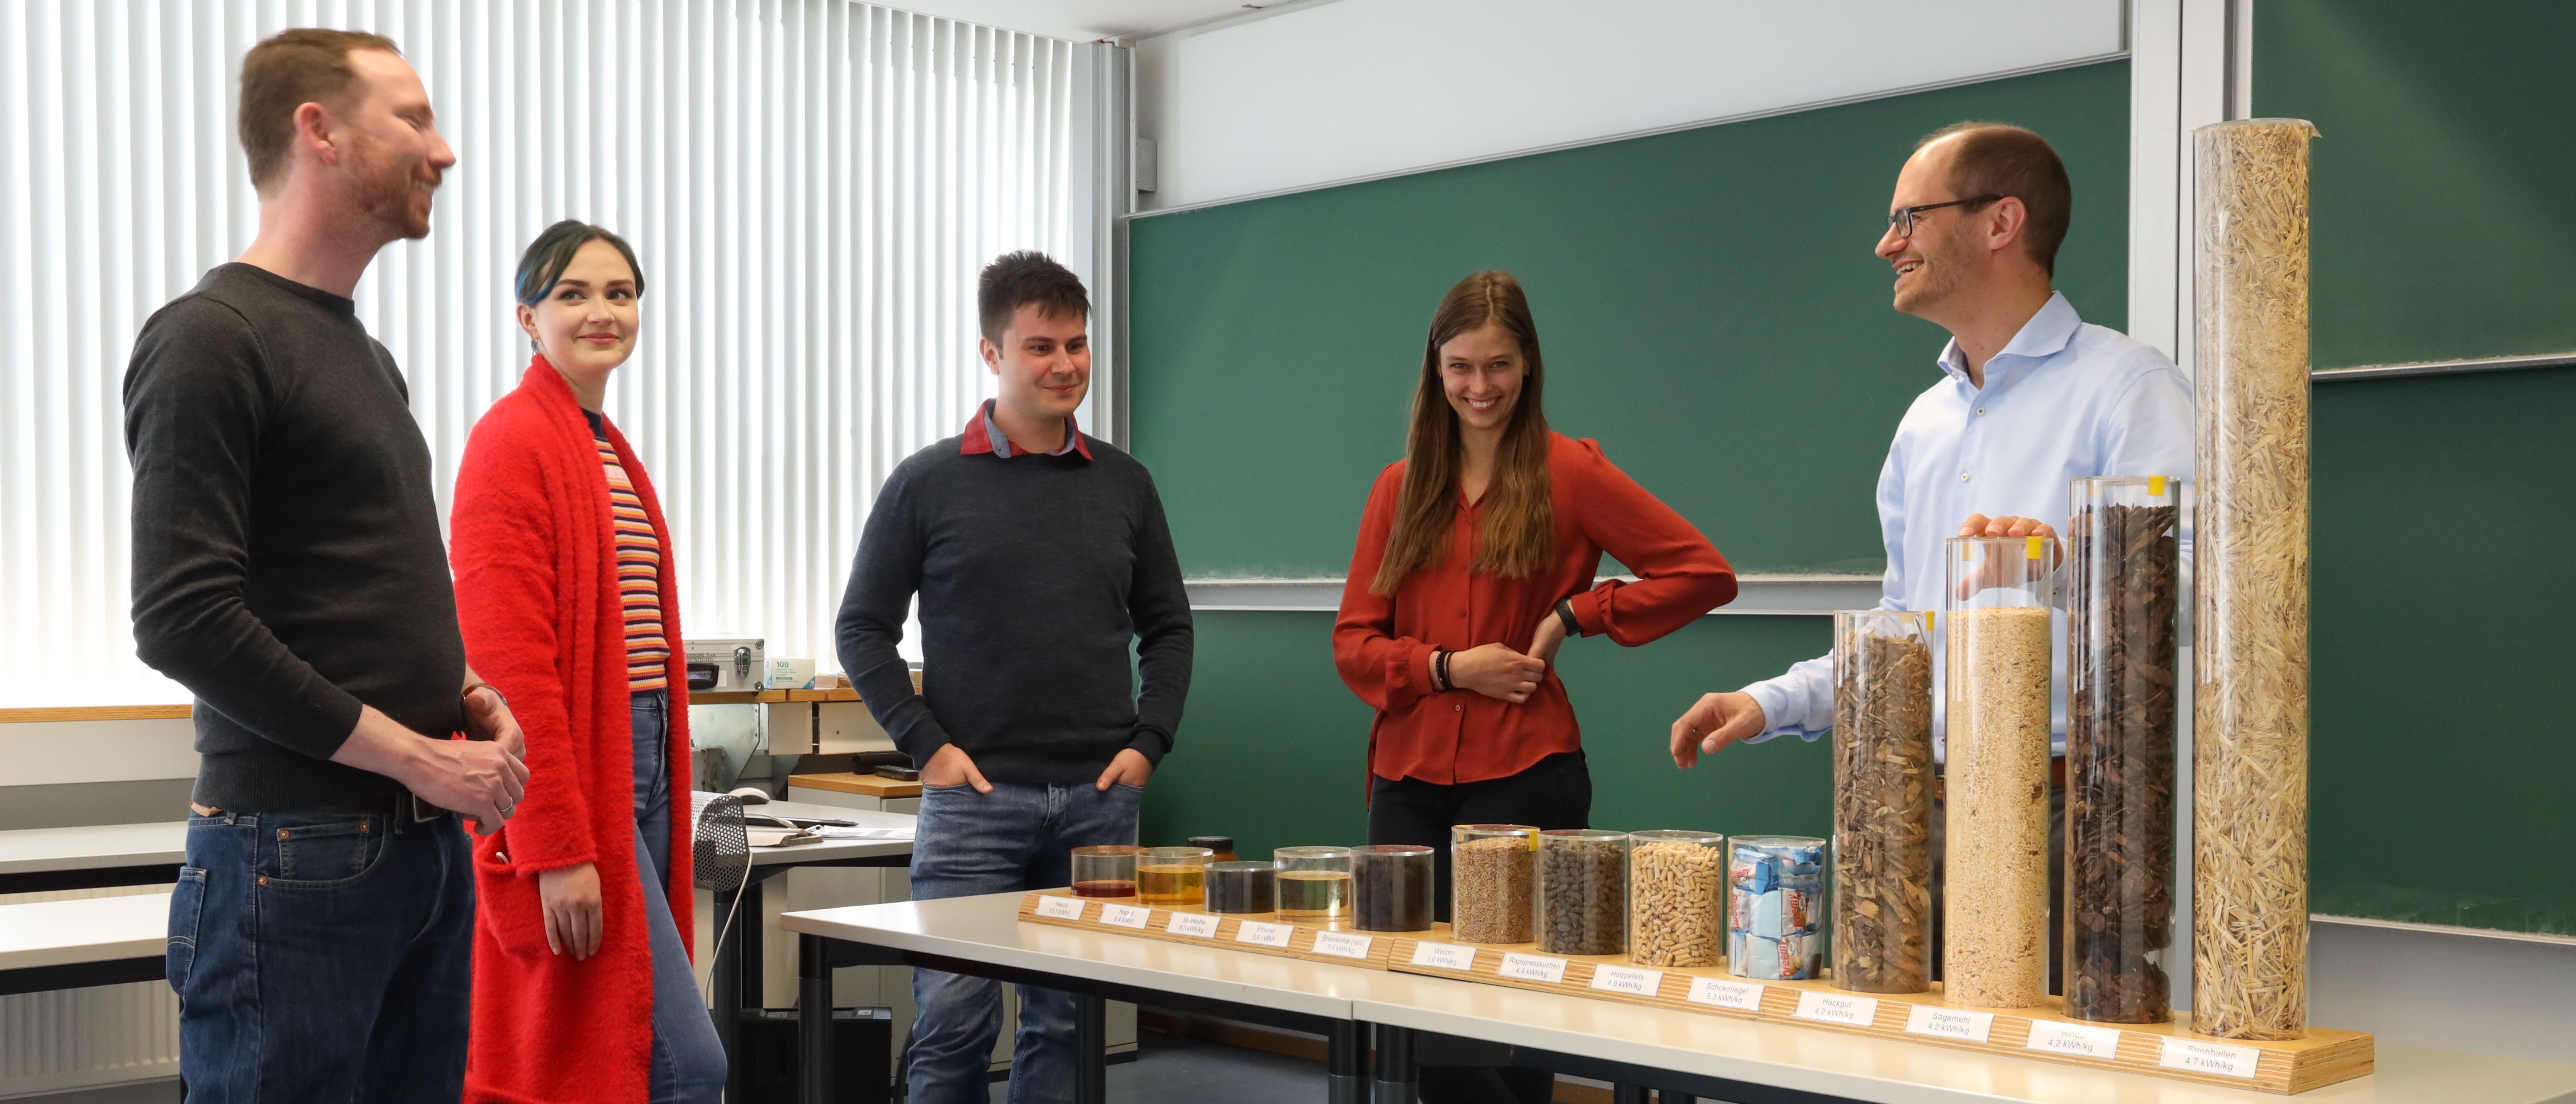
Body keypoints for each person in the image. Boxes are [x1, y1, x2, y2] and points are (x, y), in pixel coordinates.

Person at [1666, 123, 2196, 987]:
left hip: (2074, 816)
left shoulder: (2127, 388)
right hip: (1922, 812)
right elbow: (1902, 637)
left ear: (2000, 223)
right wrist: (1769, 701)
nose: (1886, 245)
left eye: (1909, 218)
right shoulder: (1927, 423)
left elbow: (2206, 595)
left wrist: (2065, 564)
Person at [124, 29, 528, 1101]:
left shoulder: (363, 354)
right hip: (292, 854)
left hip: (416, 848)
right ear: (321, 132)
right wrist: (417, 758)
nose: (443, 152)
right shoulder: (213, 337)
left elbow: (352, 585)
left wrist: (464, 698)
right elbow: (182, 617)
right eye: (414, 118)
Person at [1335, 270, 1736, 1104]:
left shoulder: (1571, 472)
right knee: (1418, 1013)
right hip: (1407, 788)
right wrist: (1449, 666)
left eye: (1498, 366)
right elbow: (1353, 645)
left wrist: (1576, 614)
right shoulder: (1396, 488)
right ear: (1434, 371)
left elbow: (1704, 572)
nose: (1480, 388)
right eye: (1461, 368)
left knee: (1518, 1017)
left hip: (1527, 774)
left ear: (1529, 366)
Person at [835, 250, 1193, 1104]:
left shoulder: (1127, 485)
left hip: (1101, 800)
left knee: (1068, 1028)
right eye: (1040, 346)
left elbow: (1170, 627)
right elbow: (862, 628)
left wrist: (1149, 743)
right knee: (954, 1023)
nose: (1065, 364)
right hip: (972, 803)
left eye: (1077, 344)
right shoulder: (928, 484)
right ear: (992, 353)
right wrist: (928, 749)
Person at [449, 221, 727, 1103]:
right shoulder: (512, 440)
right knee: (682, 1063)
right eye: (573, 294)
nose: (602, 311)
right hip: (577, 776)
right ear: (527, 317)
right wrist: (556, 844)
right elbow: (508, 662)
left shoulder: (606, 447)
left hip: (640, 760)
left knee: (629, 1055)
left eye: (619, 293)